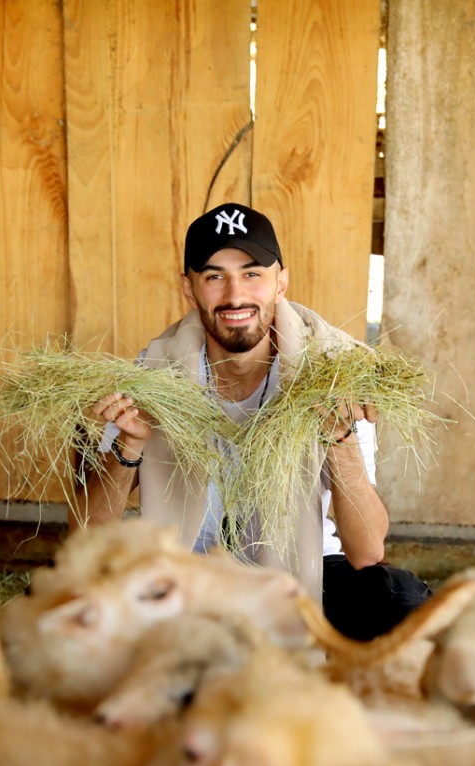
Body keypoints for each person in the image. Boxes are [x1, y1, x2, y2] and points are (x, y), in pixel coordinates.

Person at [68, 202, 430, 640]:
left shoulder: (334, 372)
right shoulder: (150, 377)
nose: (235, 295)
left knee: (401, 601)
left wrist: (340, 436)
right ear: (189, 288)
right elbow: (85, 537)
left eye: (252, 273)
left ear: (281, 282)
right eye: (215, 276)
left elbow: (368, 550)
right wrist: (128, 447)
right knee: (70, 616)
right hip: (188, 577)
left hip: (302, 574)